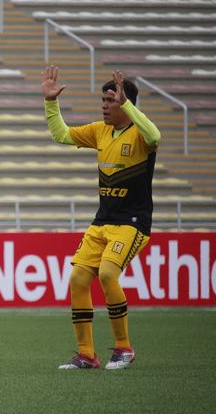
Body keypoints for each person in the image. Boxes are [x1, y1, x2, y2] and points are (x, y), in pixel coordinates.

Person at [41, 66, 161, 370]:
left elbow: (155, 135)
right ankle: (87, 354)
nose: (104, 106)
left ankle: (124, 348)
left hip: (132, 223)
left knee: (108, 274)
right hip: (102, 222)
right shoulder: (100, 131)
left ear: (125, 103)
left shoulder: (141, 135)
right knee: (78, 279)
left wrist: (128, 105)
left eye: (110, 100)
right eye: (103, 101)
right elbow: (61, 134)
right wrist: (51, 102)